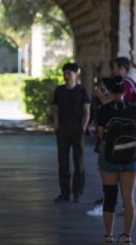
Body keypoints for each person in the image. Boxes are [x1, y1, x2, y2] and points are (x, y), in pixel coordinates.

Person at [96, 76, 136, 245]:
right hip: (130, 157)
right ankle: (127, 236)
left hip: (109, 157)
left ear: (110, 91)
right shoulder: (133, 109)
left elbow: (101, 135)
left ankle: (108, 235)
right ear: (124, 91)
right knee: (128, 198)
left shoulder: (104, 110)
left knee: (110, 196)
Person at [53, 62, 91, 203]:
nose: (66, 76)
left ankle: (77, 192)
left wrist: (83, 127)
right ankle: (64, 193)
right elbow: (55, 109)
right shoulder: (59, 90)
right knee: (63, 163)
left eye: (69, 73)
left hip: (77, 130)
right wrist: (56, 126)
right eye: (65, 73)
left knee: (78, 162)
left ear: (76, 74)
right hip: (63, 129)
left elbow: (87, 110)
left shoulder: (82, 91)